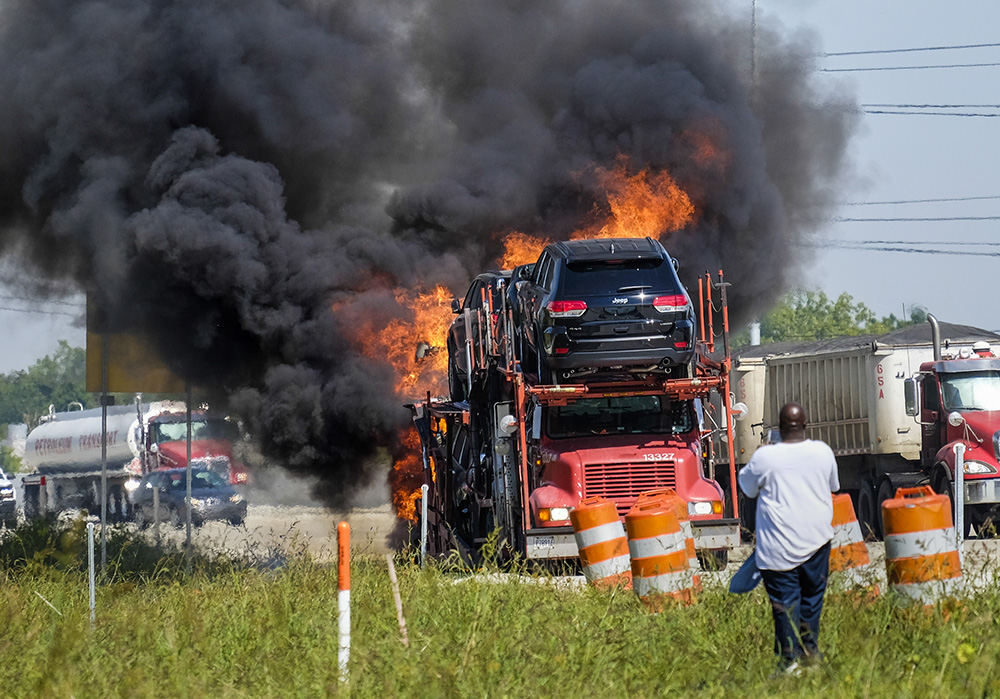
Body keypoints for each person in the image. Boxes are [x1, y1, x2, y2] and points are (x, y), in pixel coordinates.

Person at [738, 402, 840, 675]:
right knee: (811, 600)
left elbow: (747, 488)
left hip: (778, 547)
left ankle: (789, 661)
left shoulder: (766, 457)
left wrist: (761, 454)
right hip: (817, 541)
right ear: (806, 426)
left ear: (779, 429)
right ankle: (810, 652)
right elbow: (833, 486)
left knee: (785, 604)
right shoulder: (823, 452)